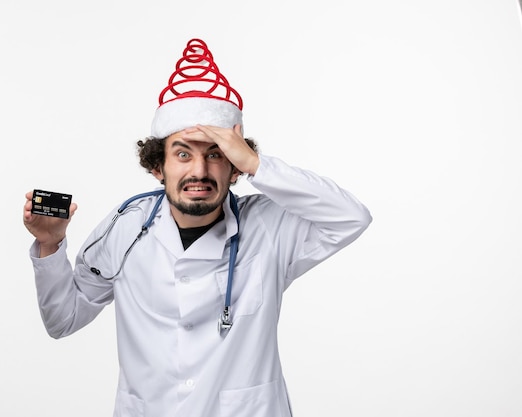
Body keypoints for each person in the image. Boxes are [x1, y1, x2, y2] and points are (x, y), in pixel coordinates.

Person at [23, 38, 372, 417]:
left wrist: (258, 164)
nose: (199, 171)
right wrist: (50, 243)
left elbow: (351, 217)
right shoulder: (126, 228)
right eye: (183, 153)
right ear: (158, 166)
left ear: (235, 166)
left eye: (215, 155)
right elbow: (63, 320)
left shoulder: (270, 227)